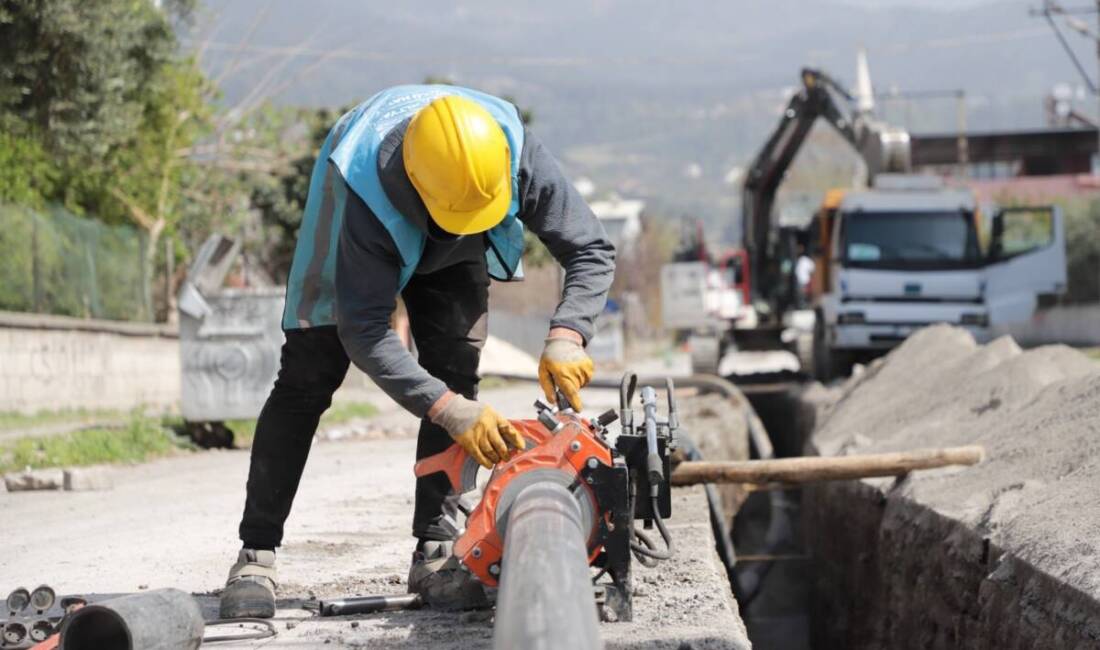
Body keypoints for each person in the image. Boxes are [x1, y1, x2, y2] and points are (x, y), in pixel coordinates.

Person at [218, 85, 616, 618]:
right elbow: (363, 330)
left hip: (456, 208)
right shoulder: (364, 189)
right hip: (358, 213)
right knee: (307, 376)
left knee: (455, 363)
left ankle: (435, 546)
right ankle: (256, 553)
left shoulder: (509, 154)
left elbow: (589, 246)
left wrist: (568, 334)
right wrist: (448, 410)